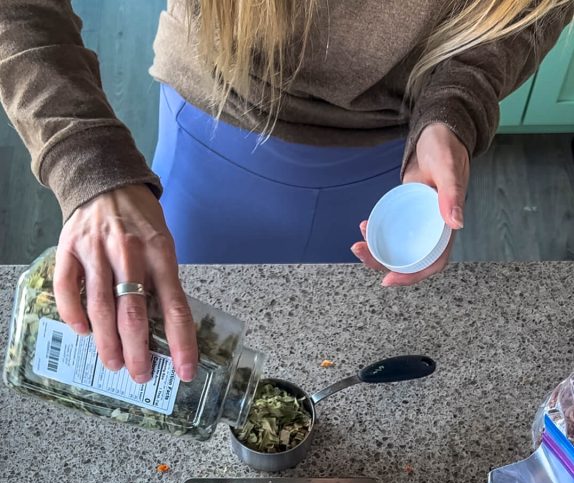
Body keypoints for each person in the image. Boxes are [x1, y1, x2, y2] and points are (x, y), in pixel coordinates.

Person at [0, 0, 572, 384]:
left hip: (395, 165)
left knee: (344, 337)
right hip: (216, 121)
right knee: (171, 340)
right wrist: (86, 160)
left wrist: (451, 111)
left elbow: (516, 21)